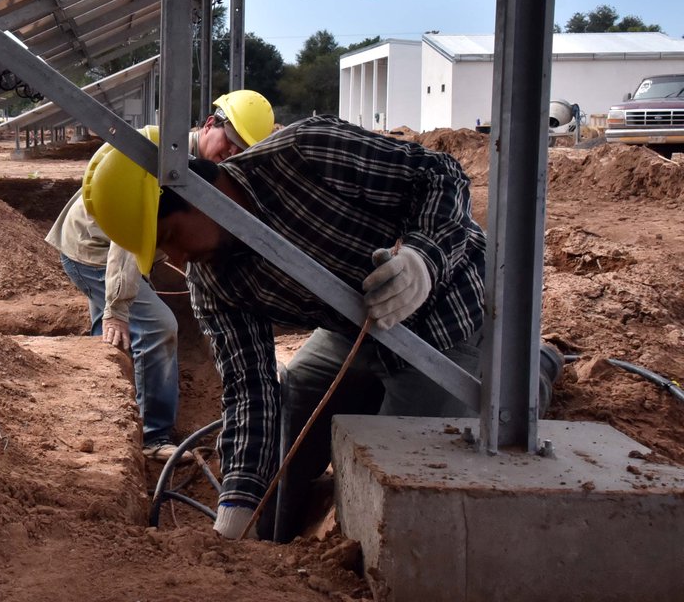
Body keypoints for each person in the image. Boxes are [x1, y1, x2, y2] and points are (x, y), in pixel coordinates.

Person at [82, 113, 564, 539]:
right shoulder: (213, 281)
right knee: (281, 462)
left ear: (193, 187)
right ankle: (274, 535)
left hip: (447, 312)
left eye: (170, 237)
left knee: (390, 479)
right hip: (353, 328)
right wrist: (238, 504)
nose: (181, 259)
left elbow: (439, 176)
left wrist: (423, 258)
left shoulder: (307, 154)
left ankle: (529, 368)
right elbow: (251, 389)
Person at [45, 90, 275, 462]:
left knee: (111, 341)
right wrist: (119, 305)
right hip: (94, 253)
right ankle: (152, 436)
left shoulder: (192, 167)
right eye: (230, 143)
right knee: (158, 327)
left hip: (96, 247)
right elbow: (126, 241)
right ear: (211, 124)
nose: (231, 155)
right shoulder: (165, 160)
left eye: (241, 152)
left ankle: (108, 416)